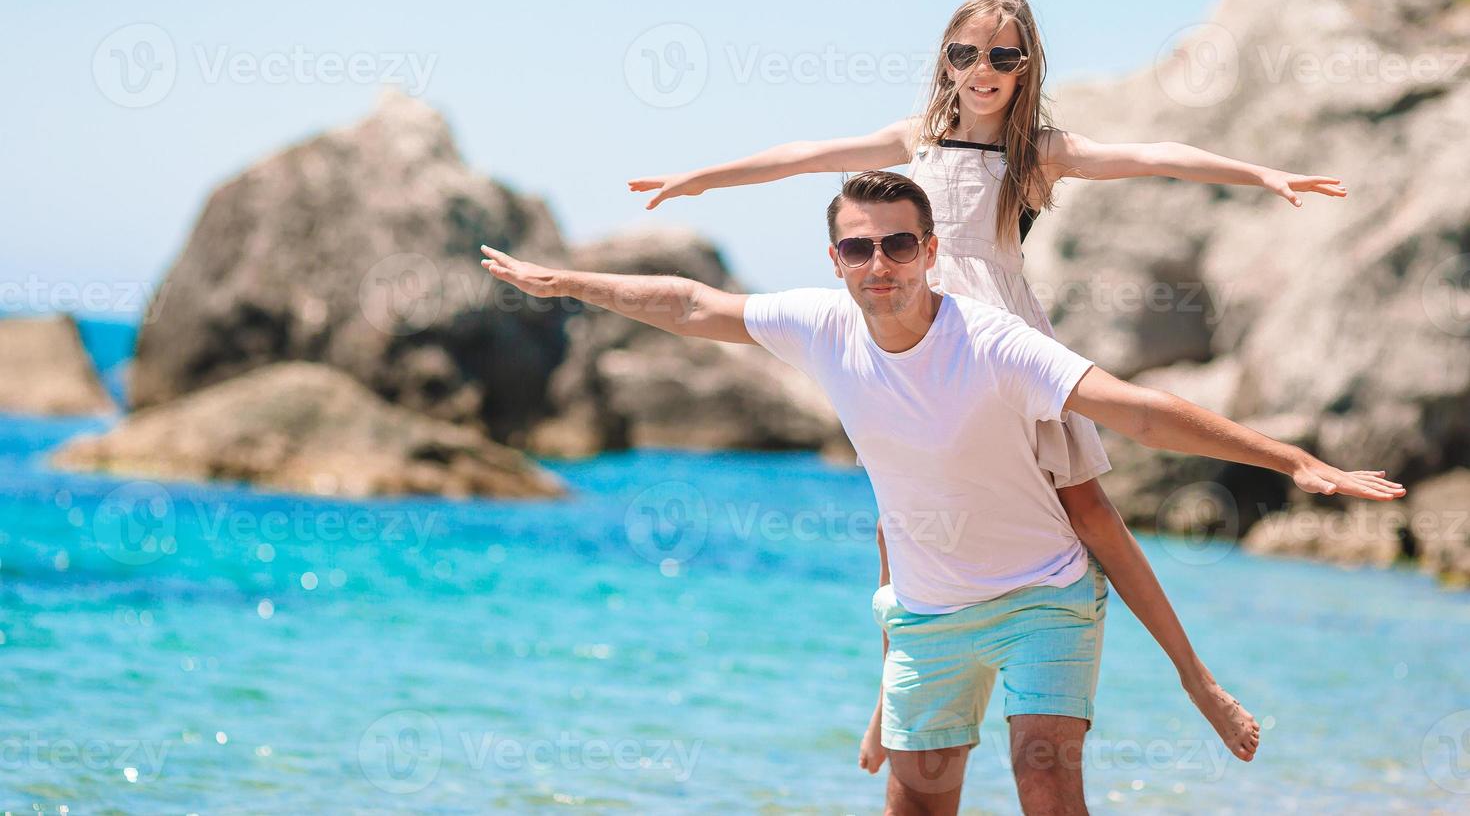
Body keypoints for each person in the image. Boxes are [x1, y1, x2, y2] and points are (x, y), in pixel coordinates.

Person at [480, 170, 1401, 816]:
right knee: (916, 806)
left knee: (1046, 787)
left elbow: (1142, 413)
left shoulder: (994, 341)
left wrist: (1291, 460)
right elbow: (686, 305)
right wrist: (566, 284)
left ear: (927, 251)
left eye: (897, 245)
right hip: (926, 617)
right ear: (834, 256)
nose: (877, 264)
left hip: (1044, 595)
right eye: (858, 248)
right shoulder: (817, 325)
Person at [626, 0, 1350, 768]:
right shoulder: (914, 140)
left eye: (1002, 56)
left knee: (1089, 512)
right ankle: (887, 700)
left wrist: (1263, 175)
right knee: (898, 525)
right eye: (965, 53)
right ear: (946, 59)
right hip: (915, 341)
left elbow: (1155, 158)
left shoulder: (1039, 150)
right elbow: (808, 155)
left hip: (995, 346)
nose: (982, 70)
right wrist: (700, 178)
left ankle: (1197, 680)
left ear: (1024, 65)